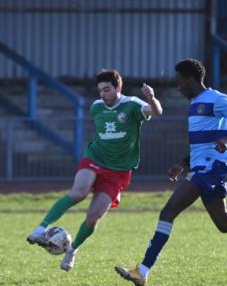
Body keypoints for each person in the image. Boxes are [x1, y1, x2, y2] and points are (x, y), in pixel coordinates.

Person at [114, 58, 227, 286]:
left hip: (211, 168)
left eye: (180, 82)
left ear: (191, 80)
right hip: (203, 167)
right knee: (225, 224)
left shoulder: (217, 99)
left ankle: (142, 271)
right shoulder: (195, 105)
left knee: (168, 211)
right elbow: (200, 145)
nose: (179, 88)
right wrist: (183, 164)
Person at [26, 69, 163, 271]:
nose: (103, 95)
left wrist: (152, 98)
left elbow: (157, 112)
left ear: (118, 88)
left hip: (118, 171)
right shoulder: (96, 107)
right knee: (78, 192)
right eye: (100, 91)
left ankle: (72, 250)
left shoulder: (132, 104)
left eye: (107, 90)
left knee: (93, 218)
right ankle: (40, 229)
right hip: (94, 158)